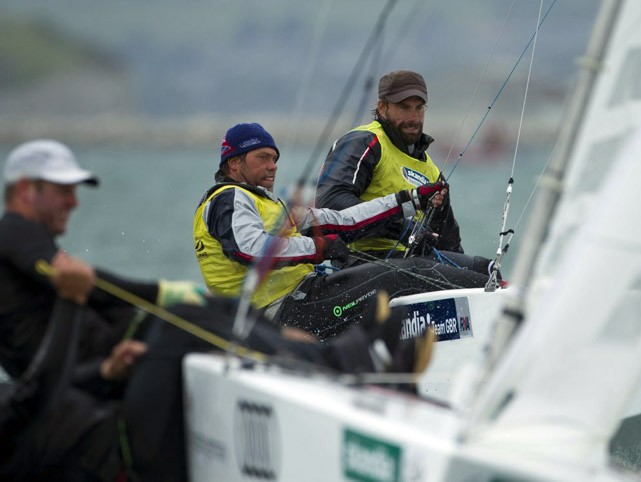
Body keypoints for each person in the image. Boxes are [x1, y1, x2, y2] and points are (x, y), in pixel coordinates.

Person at [0, 139, 427, 481]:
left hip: (103, 371)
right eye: (62, 191)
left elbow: (83, 298)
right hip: (99, 384)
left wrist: (406, 201)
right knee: (191, 314)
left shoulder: (26, 246)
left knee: (213, 309)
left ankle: (335, 356)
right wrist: (162, 293)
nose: (73, 203)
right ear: (25, 190)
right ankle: (346, 358)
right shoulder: (15, 233)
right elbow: (86, 287)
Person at [194, 123, 490, 342]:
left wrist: (410, 199)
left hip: (303, 299)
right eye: (263, 158)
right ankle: (497, 299)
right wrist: (319, 248)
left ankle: (496, 288)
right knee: (405, 274)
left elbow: (344, 220)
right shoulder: (229, 198)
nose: (273, 166)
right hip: (279, 314)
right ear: (234, 162)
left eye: (275, 159)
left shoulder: (267, 204)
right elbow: (251, 249)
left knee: (402, 277)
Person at [315, 70, 494, 277]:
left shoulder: (431, 170)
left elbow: (449, 243)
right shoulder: (363, 142)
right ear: (382, 107)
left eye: (419, 108)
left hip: (415, 266)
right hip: (361, 263)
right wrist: (399, 227)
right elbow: (330, 204)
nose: (414, 117)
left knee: (486, 271)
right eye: (404, 108)